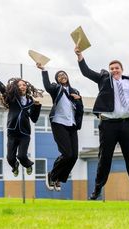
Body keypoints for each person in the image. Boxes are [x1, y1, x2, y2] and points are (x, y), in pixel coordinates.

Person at [75, 46, 129, 200]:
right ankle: (97, 189)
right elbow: (86, 72)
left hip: (125, 124)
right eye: (112, 68)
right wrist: (80, 56)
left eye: (117, 68)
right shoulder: (104, 79)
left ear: (122, 69)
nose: (114, 70)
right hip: (108, 124)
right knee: (104, 158)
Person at [0, 64, 42, 177]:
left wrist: (37, 105)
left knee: (22, 156)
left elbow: (34, 119)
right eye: (20, 85)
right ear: (16, 87)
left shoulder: (31, 100)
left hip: (24, 134)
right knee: (10, 158)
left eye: (24, 85)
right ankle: (14, 166)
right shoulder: (12, 98)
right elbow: (0, 86)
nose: (22, 86)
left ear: (26, 87)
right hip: (12, 132)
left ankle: (28, 165)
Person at [36, 63, 84, 192]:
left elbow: (80, 110)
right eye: (59, 76)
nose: (62, 76)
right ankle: (52, 175)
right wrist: (44, 70)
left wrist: (79, 99)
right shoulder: (56, 88)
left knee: (74, 156)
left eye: (64, 74)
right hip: (59, 122)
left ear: (67, 77)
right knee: (67, 153)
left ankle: (58, 178)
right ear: (57, 80)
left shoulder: (75, 92)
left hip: (72, 125)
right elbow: (47, 86)